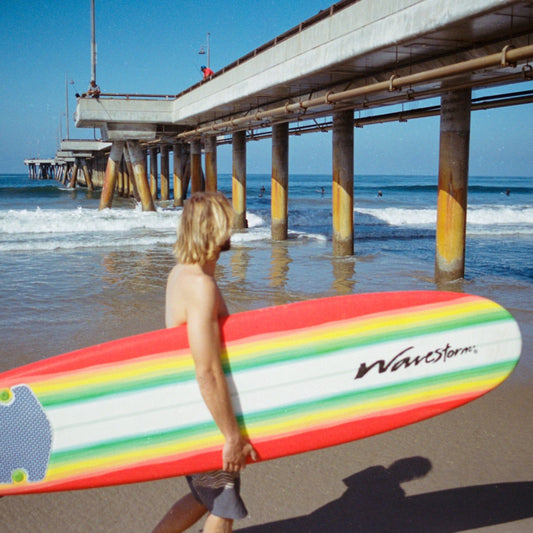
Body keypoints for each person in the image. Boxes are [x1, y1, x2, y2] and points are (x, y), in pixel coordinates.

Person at [153, 192, 257, 533]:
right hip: (208, 412)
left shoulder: (181, 274)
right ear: (214, 230)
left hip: (191, 406)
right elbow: (207, 369)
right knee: (223, 503)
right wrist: (231, 435)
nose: (233, 230)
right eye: (228, 223)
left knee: (205, 496)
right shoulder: (200, 286)